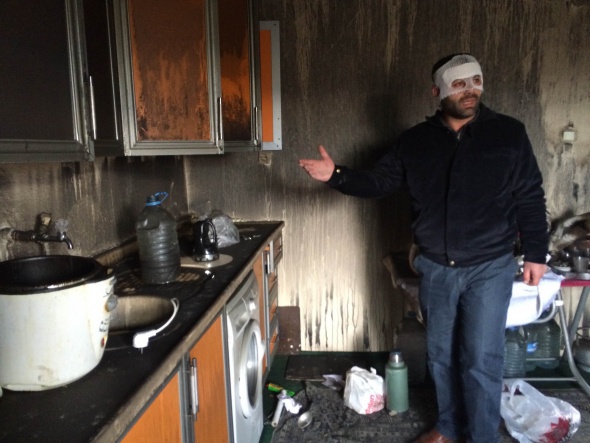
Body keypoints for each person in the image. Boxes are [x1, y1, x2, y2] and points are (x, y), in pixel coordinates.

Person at [299, 53, 548, 443]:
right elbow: (379, 182)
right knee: (441, 355)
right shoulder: (415, 141)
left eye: (476, 80)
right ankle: (447, 426)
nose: (470, 90)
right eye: (459, 83)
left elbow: (530, 195)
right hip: (436, 267)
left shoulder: (509, 134)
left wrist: (536, 252)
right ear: (437, 91)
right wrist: (337, 175)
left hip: (490, 266)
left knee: (481, 357)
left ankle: (482, 436)